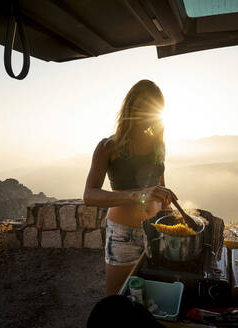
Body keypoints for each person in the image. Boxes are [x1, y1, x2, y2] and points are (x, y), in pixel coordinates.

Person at [83, 79, 176, 295]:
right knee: (118, 299)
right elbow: (89, 195)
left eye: (152, 108)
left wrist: (170, 218)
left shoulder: (158, 145)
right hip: (123, 234)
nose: (146, 114)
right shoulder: (108, 147)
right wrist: (140, 194)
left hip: (156, 231)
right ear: (130, 108)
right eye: (142, 107)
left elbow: (160, 187)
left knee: (152, 296)